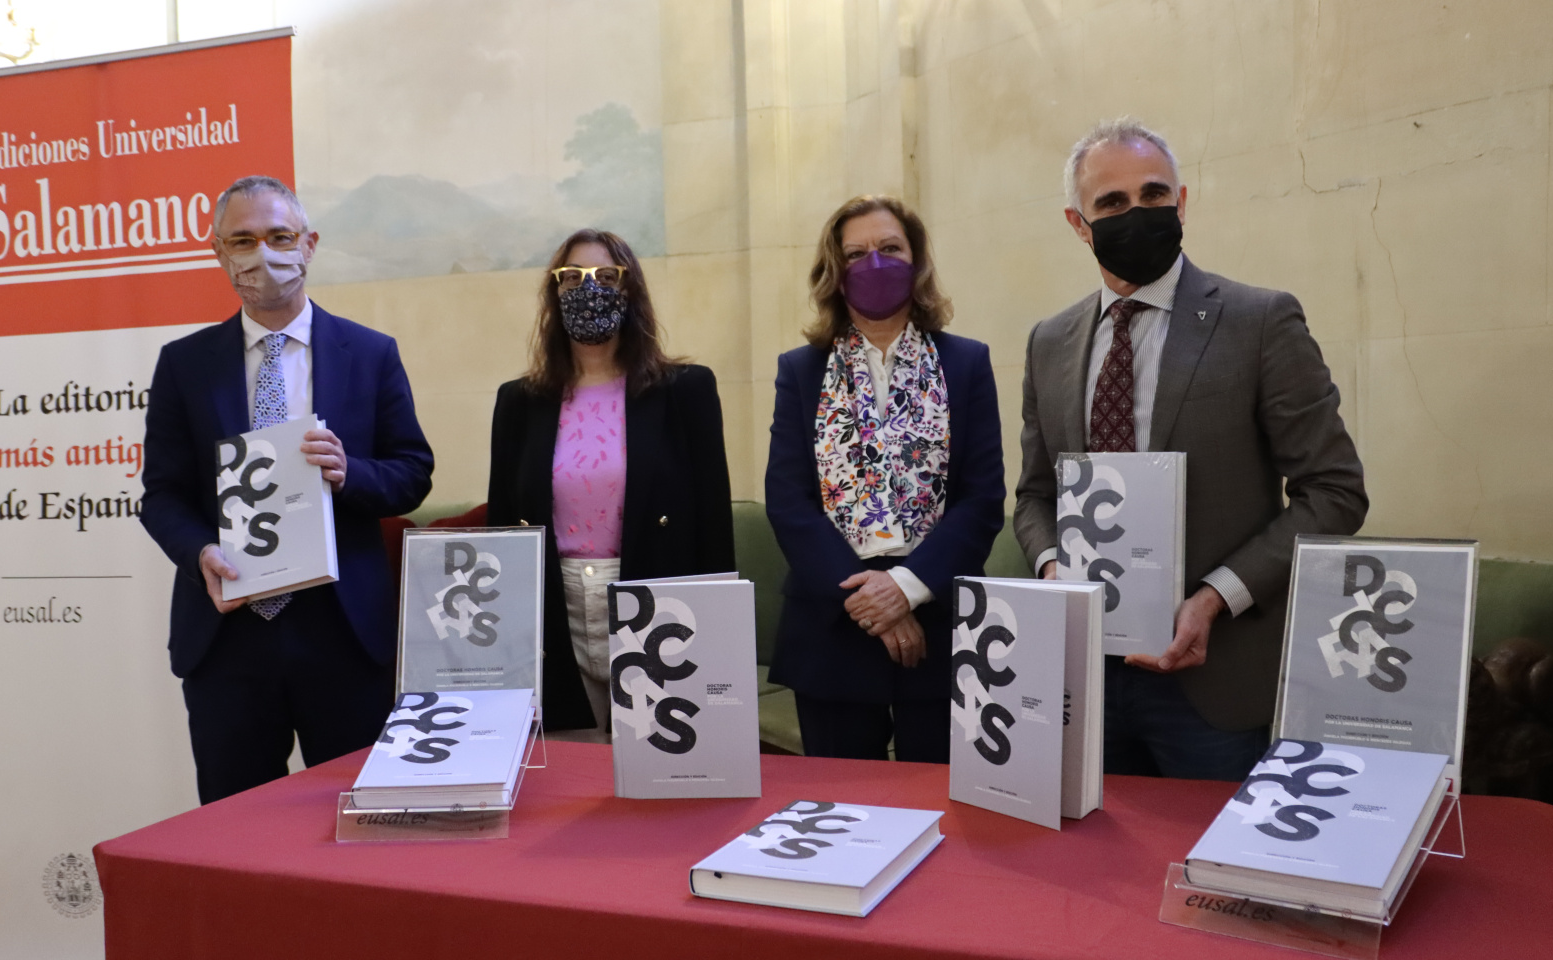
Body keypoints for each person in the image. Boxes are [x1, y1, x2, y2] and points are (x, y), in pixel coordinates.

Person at [1015, 118, 1368, 780]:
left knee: (1216, 878)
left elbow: (1335, 491)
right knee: (1093, 875)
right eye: (1112, 204)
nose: (1137, 213)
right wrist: (1050, 569)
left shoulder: (1259, 322)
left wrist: (1215, 596)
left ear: (1181, 203)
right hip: (1084, 677)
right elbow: (1035, 496)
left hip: (1214, 682)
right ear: (1078, 223)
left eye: (1153, 195)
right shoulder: (1050, 341)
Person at [141, 176, 434, 804]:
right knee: (234, 831)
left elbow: (412, 471)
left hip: (343, 633)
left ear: (309, 244)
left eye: (279, 237)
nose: (263, 255)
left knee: (359, 821)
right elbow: (161, 494)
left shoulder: (370, 353)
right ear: (218, 253)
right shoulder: (183, 364)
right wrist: (199, 555)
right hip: (229, 637)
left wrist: (350, 471)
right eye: (242, 241)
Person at [766, 195, 1005, 763]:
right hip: (832, 626)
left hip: (939, 621)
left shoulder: (966, 362)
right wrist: (870, 600)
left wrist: (906, 588)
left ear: (916, 260)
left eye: (890, 248)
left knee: (943, 811)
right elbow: (790, 501)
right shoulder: (801, 370)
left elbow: (982, 498)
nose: (875, 263)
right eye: (857, 254)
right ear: (835, 270)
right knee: (839, 815)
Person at [486, 229, 735, 742]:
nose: (588, 287)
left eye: (606, 276)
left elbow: (714, 522)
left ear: (630, 290)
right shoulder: (519, 401)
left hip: (657, 597)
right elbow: (502, 527)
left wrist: (718, 631)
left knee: (656, 767)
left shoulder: (685, 391)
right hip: (556, 606)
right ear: (554, 294)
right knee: (571, 773)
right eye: (572, 277)